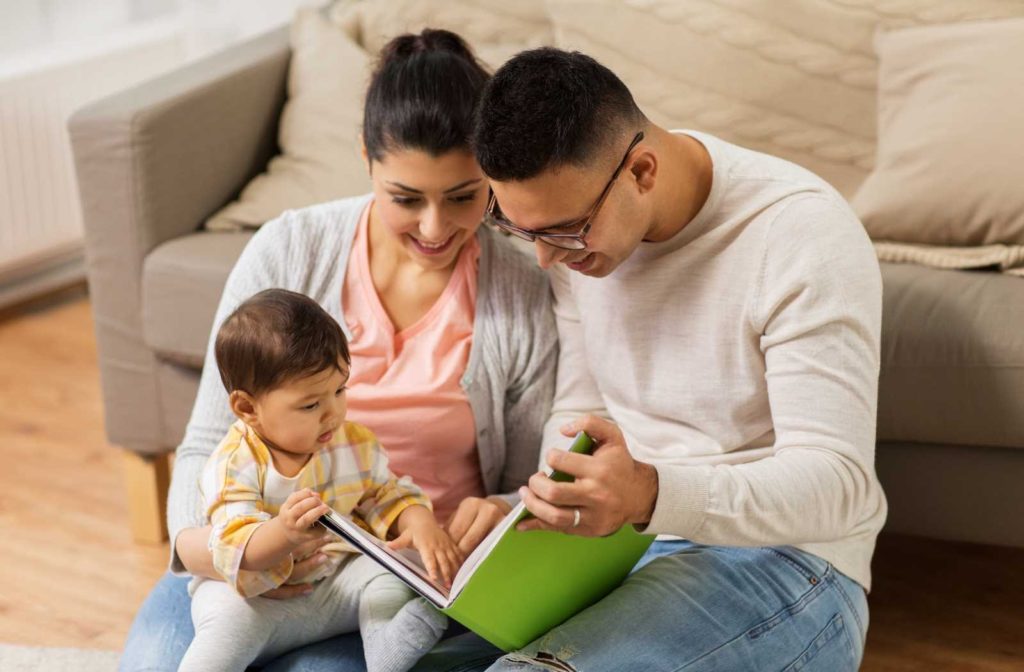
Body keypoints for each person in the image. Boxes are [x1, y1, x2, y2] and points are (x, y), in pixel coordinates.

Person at [119, 30, 557, 672]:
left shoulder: (521, 291)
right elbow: (206, 441)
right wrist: (214, 556)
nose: (435, 229)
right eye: (406, 198)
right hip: (241, 562)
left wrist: (494, 512)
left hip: (397, 578)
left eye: (464, 197)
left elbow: (525, 482)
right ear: (365, 158)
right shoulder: (289, 249)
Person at [453, 47, 887, 671]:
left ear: (643, 171)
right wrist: (538, 506)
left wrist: (649, 495)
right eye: (521, 229)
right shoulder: (577, 244)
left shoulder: (800, 236)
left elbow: (838, 485)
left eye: (565, 230)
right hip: (622, 545)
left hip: (787, 560)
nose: (546, 259)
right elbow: (582, 406)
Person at [178, 288, 460, 672]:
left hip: (332, 584)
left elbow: (386, 494)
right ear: (248, 408)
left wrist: (421, 523)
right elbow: (233, 546)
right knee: (226, 625)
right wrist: (284, 533)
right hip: (257, 598)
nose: (333, 414)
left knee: (388, 573)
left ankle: (388, 652)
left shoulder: (354, 443)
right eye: (311, 405)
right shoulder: (234, 462)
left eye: (340, 390)